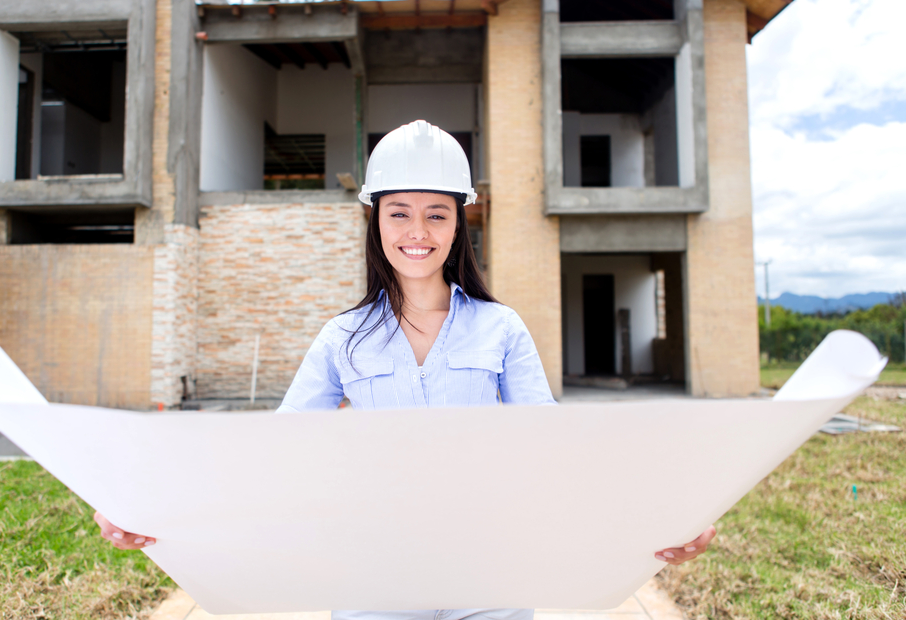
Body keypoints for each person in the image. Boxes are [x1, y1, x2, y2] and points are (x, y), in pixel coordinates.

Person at [94, 120, 717, 617]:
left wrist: (665, 512)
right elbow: (271, 452)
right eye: (399, 212)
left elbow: (553, 450)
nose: (417, 231)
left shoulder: (501, 329)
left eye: (436, 214)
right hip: (376, 578)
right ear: (376, 219)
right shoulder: (341, 339)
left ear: (459, 222)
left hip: (490, 575)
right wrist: (144, 502)